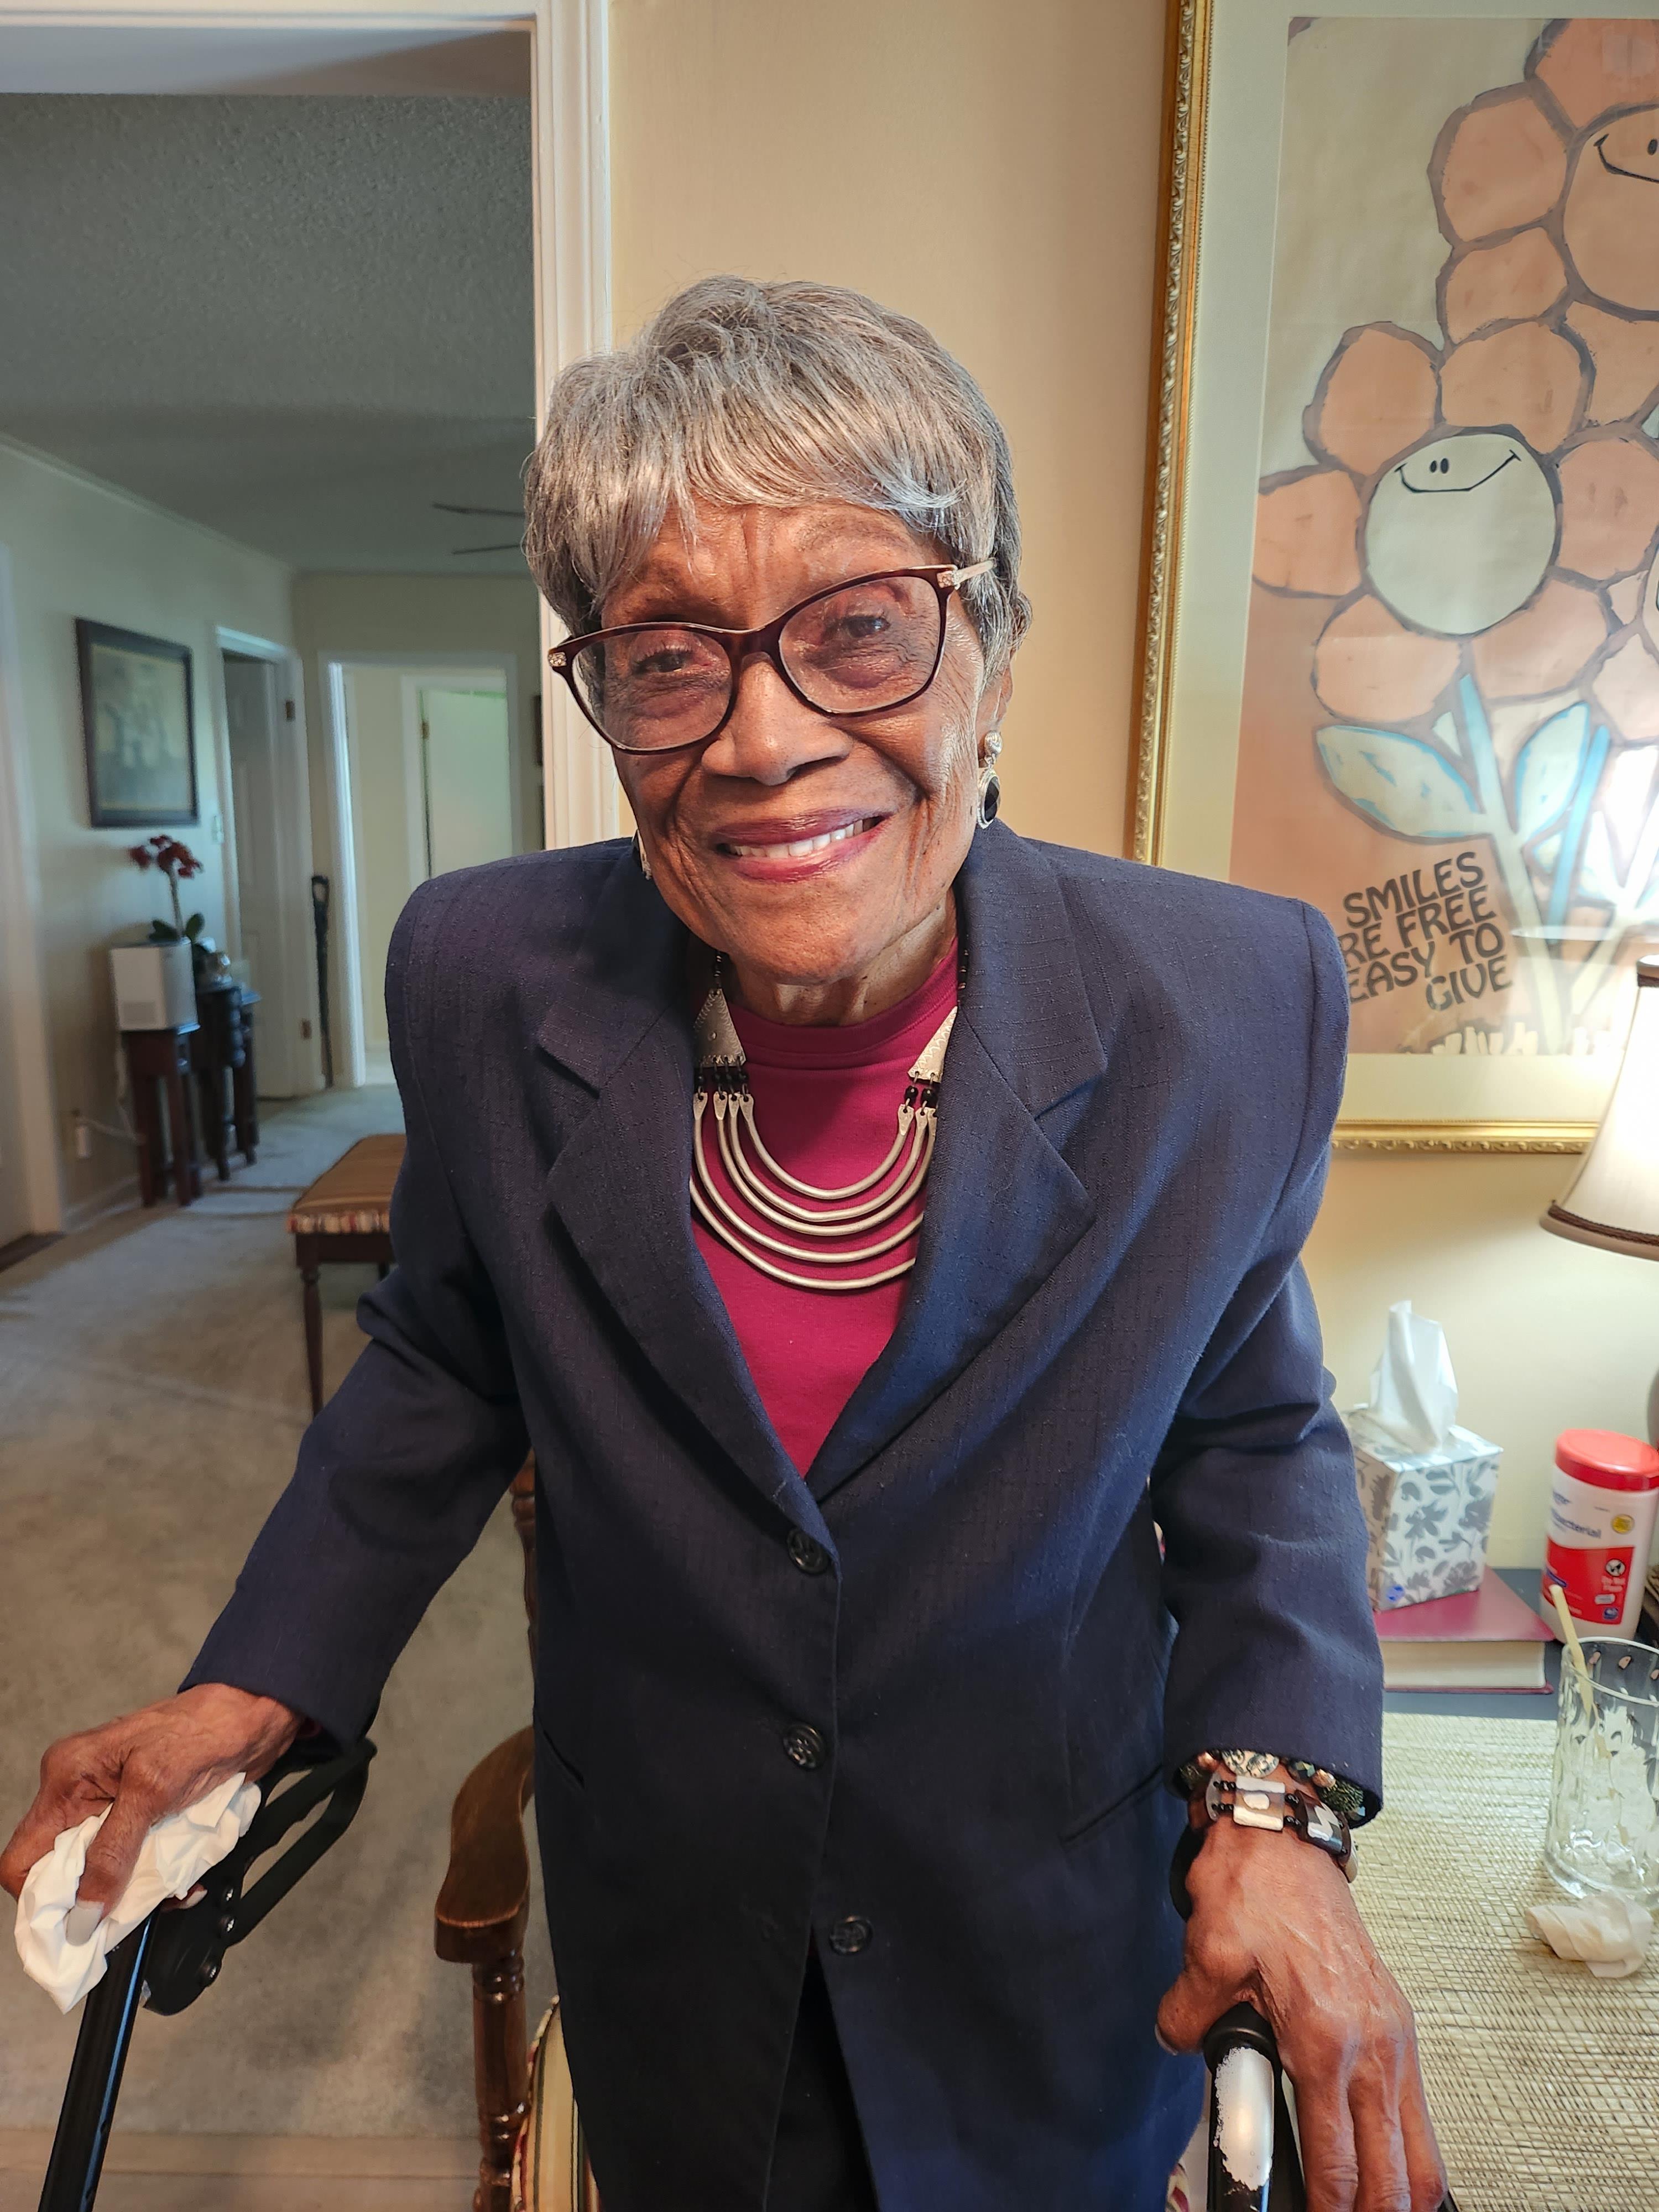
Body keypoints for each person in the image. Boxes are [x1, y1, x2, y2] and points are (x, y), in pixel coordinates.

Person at [3, 278, 1445, 2212]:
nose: (764, 740)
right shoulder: (483, 978)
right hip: (677, 1930)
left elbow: (1253, 1435)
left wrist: (1274, 1810)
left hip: (1043, 1945)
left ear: (991, 642)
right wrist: (253, 1687)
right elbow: (441, 1353)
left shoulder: (1230, 1004)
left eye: (860, 628)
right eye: (669, 658)